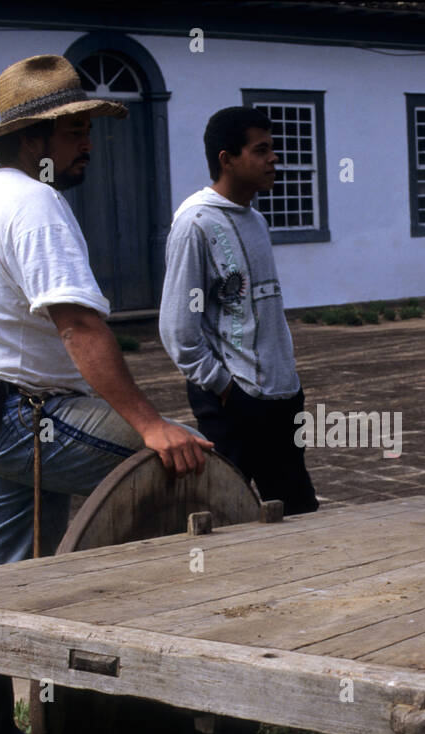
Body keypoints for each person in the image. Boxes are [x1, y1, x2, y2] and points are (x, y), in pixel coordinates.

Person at [0, 54, 211, 734]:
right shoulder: (38, 207)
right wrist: (151, 426)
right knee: (199, 474)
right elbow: (81, 328)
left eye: (86, 128)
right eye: (74, 130)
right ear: (32, 140)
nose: (87, 144)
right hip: (19, 417)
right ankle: (159, 706)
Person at [158, 106, 319, 515]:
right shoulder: (195, 225)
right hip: (234, 403)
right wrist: (226, 387)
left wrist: (288, 381)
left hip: (282, 397)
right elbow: (179, 330)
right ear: (226, 159)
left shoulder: (256, 220)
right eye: (260, 150)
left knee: (298, 514)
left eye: (272, 148)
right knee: (227, 518)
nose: (273, 158)